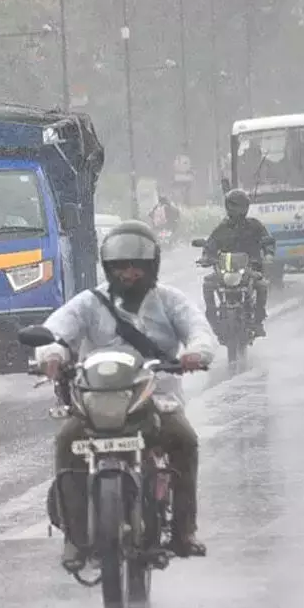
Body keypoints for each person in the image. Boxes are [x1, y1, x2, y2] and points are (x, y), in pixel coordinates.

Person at [34, 220, 218, 567]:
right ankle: (75, 538)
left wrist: (196, 353)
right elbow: (55, 331)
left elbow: (199, 331)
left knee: (184, 440)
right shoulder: (89, 303)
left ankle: (184, 531)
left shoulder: (170, 301)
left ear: (152, 267)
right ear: (108, 268)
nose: (128, 274)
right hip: (94, 403)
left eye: (137, 266)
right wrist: (52, 354)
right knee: (66, 442)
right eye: (120, 266)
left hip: (156, 400)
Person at [198, 188, 275, 336]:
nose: (236, 209)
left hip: (250, 268)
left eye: (239, 205)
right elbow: (211, 244)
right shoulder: (222, 228)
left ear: (245, 207)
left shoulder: (255, 225)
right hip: (225, 270)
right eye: (233, 205)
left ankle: (258, 321)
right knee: (208, 283)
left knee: (261, 285)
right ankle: (212, 315)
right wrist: (206, 257)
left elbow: (267, 240)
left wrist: (269, 254)